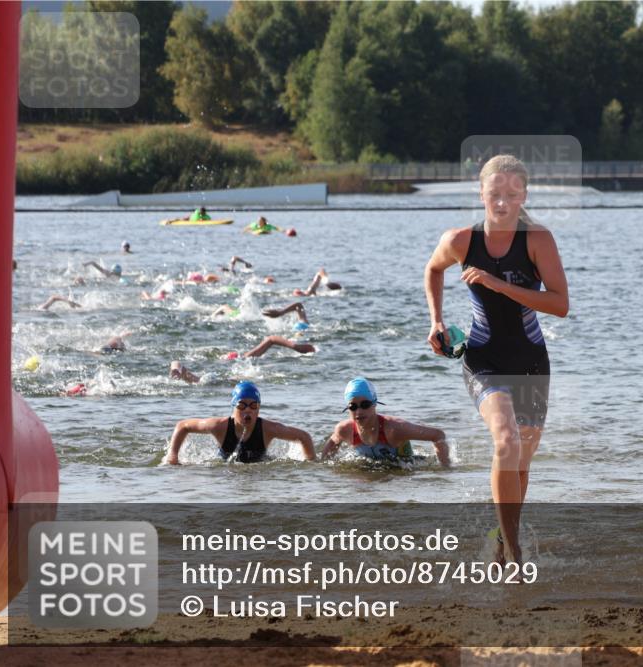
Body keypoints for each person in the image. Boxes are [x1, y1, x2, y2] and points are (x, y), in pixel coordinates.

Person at [424, 154, 568, 565]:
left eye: (511, 194)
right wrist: (436, 321)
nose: (502, 203)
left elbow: (560, 304)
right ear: (481, 193)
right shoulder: (461, 241)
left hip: (530, 358)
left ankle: (505, 537)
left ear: (523, 195)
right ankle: (515, 552)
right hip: (483, 356)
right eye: (494, 194)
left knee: (521, 457)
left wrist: (497, 285)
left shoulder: (538, 240)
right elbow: (433, 271)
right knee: (505, 440)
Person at [166, 381, 315, 464]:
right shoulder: (220, 426)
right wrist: (172, 456)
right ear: (233, 406)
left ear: (258, 408)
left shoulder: (269, 429)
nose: (247, 410)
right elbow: (183, 426)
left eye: (253, 406)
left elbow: (304, 437)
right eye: (242, 405)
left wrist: (310, 463)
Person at [320, 378, 450, 466]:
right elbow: (330, 448)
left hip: (404, 471)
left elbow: (437, 435)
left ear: (374, 403)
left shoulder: (394, 429)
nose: (359, 411)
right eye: (353, 407)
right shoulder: (344, 430)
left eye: (365, 404)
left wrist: (444, 469)